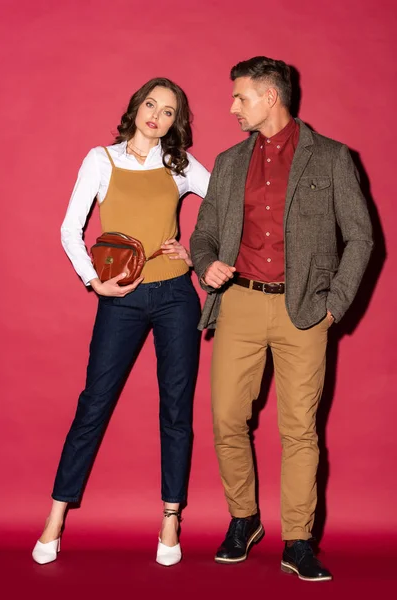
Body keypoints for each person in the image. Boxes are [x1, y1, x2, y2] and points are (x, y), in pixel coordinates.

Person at [190, 56, 373, 581]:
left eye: (239, 97)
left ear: (271, 97)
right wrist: (207, 263)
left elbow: (360, 236)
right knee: (227, 418)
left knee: (300, 430)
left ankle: (298, 539)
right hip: (241, 302)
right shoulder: (227, 163)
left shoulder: (333, 158)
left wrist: (334, 304)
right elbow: (203, 235)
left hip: (305, 310)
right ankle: (243, 518)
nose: (231, 107)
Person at [32, 77, 209, 567]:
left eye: (169, 111)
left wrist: (197, 253)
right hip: (122, 298)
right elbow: (70, 228)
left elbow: (223, 204)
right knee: (94, 404)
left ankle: (171, 517)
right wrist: (94, 282)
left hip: (176, 294)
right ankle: (55, 517)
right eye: (151, 104)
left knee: (176, 409)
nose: (157, 115)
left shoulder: (178, 166)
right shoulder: (101, 159)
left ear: (176, 122)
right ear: (136, 108)